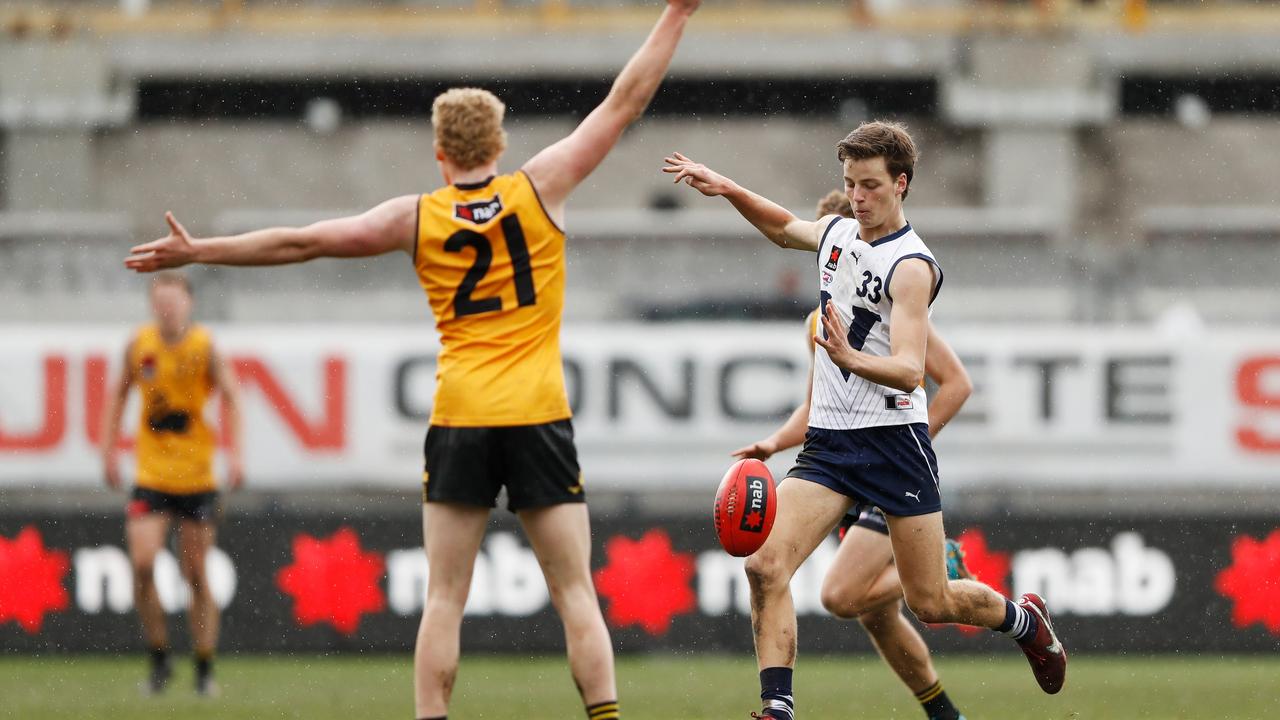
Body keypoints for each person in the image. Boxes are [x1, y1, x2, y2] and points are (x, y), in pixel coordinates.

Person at [123, 2, 701, 718]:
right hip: (537, 413)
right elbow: (627, 99)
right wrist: (677, 11)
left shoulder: (414, 218)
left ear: (439, 152)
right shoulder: (541, 186)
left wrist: (202, 250)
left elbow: (301, 243)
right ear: (500, 141)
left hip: (460, 417)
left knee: (445, 596)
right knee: (574, 590)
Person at [664, 120, 1066, 720]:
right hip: (829, 449)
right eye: (850, 183)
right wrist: (729, 189)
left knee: (931, 600)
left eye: (870, 185)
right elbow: (781, 228)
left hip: (894, 449)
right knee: (765, 565)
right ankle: (778, 707)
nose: (857, 196)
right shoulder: (836, 235)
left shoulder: (911, 266)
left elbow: (909, 371)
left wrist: (851, 358)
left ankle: (1023, 621)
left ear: (901, 184)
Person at [731, 189, 975, 720]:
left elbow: (955, 384)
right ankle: (945, 714)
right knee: (877, 616)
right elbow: (821, 401)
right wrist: (774, 443)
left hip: (893, 460)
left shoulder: (894, 292)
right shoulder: (819, 321)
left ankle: (945, 563)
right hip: (840, 459)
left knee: (844, 596)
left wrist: (908, 438)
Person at [100, 271, 244, 697]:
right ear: (152, 304)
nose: (167, 308)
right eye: (160, 301)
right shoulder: (139, 345)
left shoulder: (205, 348)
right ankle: (160, 656)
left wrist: (235, 455)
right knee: (142, 566)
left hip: (197, 475)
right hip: (151, 474)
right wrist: (109, 451)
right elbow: (117, 395)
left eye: (174, 300)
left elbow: (233, 396)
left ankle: (203, 666)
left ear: (189, 303)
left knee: (196, 574)